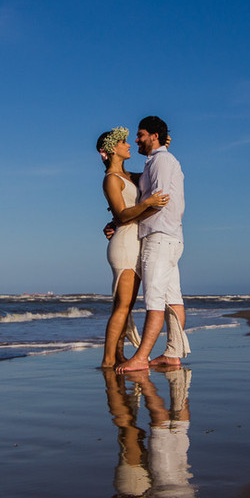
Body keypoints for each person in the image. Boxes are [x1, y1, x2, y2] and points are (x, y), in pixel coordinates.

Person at [116, 116, 190, 373]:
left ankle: (141, 357)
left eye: (140, 135)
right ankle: (172, 353)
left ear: (154, 136)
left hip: (159, 235)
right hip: (168, 236)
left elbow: (160, 200)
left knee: (154, 298)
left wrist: (126, 219)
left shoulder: (161, 161)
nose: (136, 140)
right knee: (172, 297)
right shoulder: (155, 161)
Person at [96, 127, 170, 369]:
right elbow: (122, 214)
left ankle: (118, 356)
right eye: (123, 142)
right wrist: (148, 203)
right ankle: (108, 360)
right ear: (111, 149)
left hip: (134, 241)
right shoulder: (111, 179)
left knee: (126, 306)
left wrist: (162, 146)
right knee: (122, 305)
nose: (129, 145)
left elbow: (151, 172)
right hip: (125, 245)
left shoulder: (129, 176)